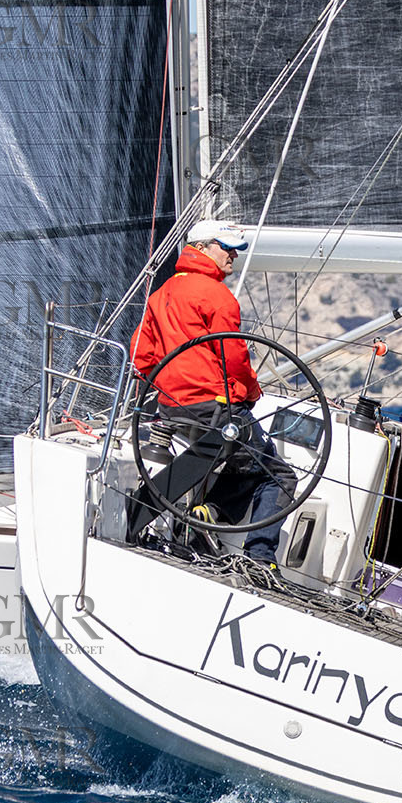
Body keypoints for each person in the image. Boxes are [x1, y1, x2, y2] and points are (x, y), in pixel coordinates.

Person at [128, 218, 297, 567]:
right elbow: (233, 355)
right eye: (227, 247)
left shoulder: (162, 293)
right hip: (214, 406)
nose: (233, 255)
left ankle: (202, 516)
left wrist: (169, 385)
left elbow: (141, 354)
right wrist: (250, 392)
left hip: (171, 407)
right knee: (278, 475)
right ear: (201, 248)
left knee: (241, 461)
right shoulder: (217, 296)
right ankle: (259, 558)